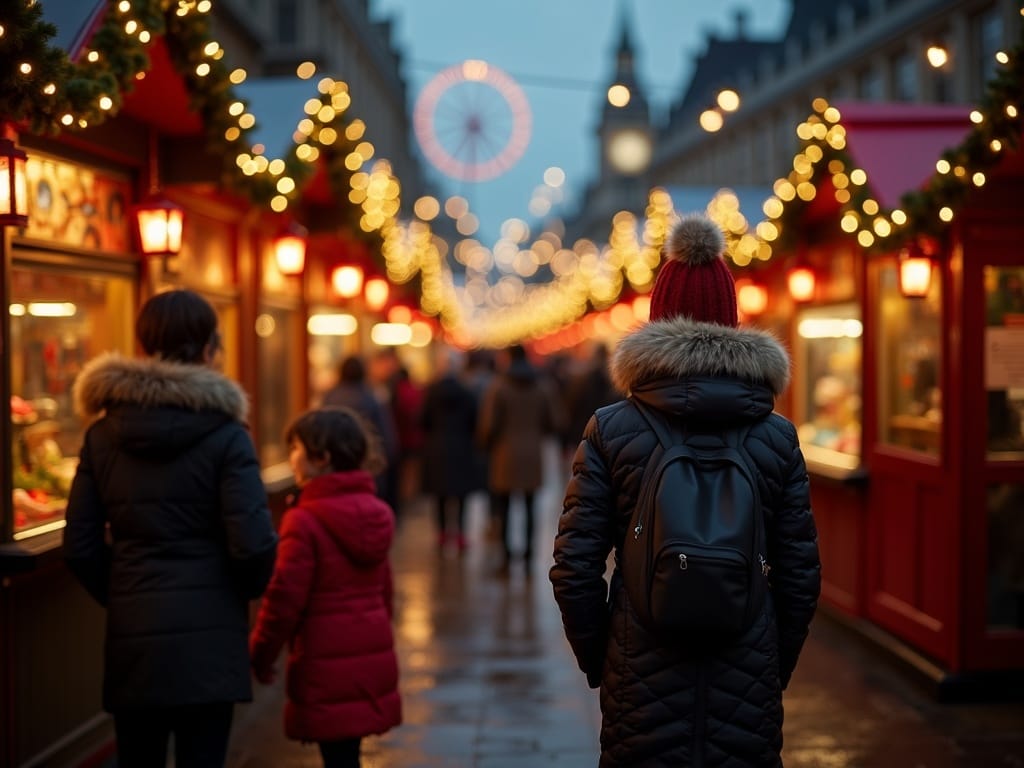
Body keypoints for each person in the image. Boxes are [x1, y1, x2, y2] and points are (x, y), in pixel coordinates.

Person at [549, 214, 821, 766]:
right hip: (747, 667)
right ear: (732, 320)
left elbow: (574, 567)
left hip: (641, 672)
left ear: (656, 320)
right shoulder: (776, 436)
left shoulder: (613, 428)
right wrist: (772, 661)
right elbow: (800, 574)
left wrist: (605, 657)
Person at [63, 289, 279, 768]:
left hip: (134, 633)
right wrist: (231, 595)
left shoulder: (101, 435)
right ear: (207, 348)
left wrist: (125, 592)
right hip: (210, 638)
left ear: (142, 345)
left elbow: (79, 545)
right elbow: (254, 544)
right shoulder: (227, 436)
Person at [249, 406, 402, 768]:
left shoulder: (304, 521)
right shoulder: (375, 512)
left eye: (296, 449)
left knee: (337, 755)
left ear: (322, 458)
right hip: (368, 652)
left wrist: (261, 654)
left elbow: (283, 599)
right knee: (347, 754)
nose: (292, 459)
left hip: (324, 660)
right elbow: (385, 590)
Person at [478, 343, 561, 573]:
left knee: (504, 507)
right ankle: (528, 558)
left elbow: (489, 425)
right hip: (532, 454)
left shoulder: (499, 387)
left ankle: (506, 558)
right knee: (530, 506)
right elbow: (554, 421)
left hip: (504, 454)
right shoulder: (542, 385)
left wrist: (485, 445)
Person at [419, 348, 480, 551]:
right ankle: (460, 533)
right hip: (462, 447)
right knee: (461, 495)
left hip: (437, 447)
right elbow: (475, 421)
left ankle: (443, 533)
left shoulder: (431, 392)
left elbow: (423, 420)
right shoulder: (467, 392)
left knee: (440, 495)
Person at [323, 354, 399, 508]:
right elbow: (385, 433)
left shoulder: (330, 397)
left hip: (334, 467)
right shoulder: (370, 397)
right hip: (366, 466)